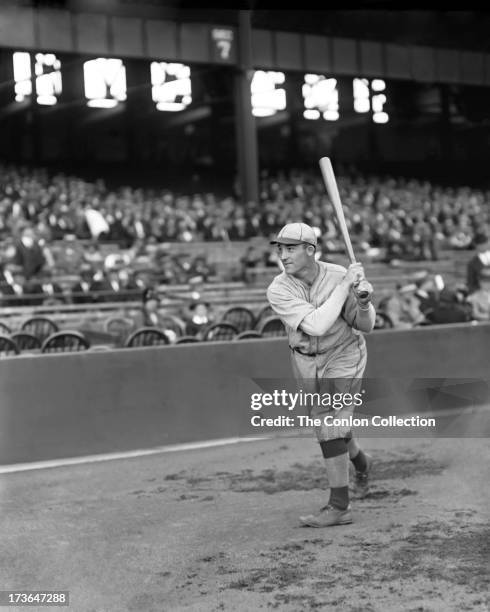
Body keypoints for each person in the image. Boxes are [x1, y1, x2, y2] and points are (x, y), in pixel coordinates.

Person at [266, 222, 376, 528]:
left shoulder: (339, 274)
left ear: (310, 250)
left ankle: (339, 505)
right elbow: (314, 326)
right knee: (332, 425)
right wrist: (346, 288)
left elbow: (365, 325)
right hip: (305, 360)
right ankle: (360, 461)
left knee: (330, 424)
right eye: (280, 249)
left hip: (344, 353)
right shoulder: (279, 288)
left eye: (290, 248)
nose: (283, 255)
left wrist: (365, 303)